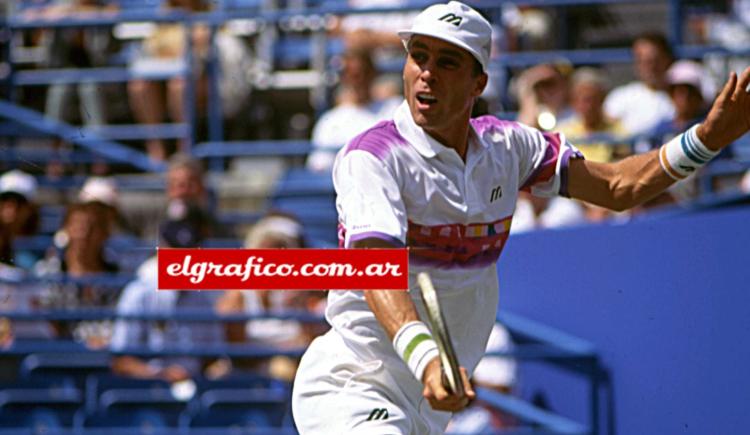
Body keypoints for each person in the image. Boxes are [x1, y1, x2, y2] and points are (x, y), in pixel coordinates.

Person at [291, 2, 750, 434]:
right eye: (419, 56)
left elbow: (616, 187)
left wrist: (706, 140)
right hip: (353, 382)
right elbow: (376, 271)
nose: (426, 73)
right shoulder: (372, 156)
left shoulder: (510, 148)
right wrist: (429, 359)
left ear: (478, 83)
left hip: (427, 405)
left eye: (448, 62)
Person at [110, 200, 223, 382]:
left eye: (188, 252)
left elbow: (212, 357)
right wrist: (160, 375)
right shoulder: (139, 293)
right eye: (175, 252)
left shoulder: (202, 297)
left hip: (195, 389)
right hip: (149, 392)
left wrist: (215, 371)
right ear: (161, 250)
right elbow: (121, 360)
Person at [306, 48, 401, 173]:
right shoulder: (330, 121)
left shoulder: (396, 109)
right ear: (343, 78)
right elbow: (320, 167)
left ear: (373, 74)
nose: (358, 80)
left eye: (363, 72)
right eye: (350, 74)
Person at [604, 32, 675, 137]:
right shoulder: (619, 97)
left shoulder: (684, 98)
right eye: (641, 60)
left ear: (667, 59)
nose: (649, 67)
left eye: (654, 60)